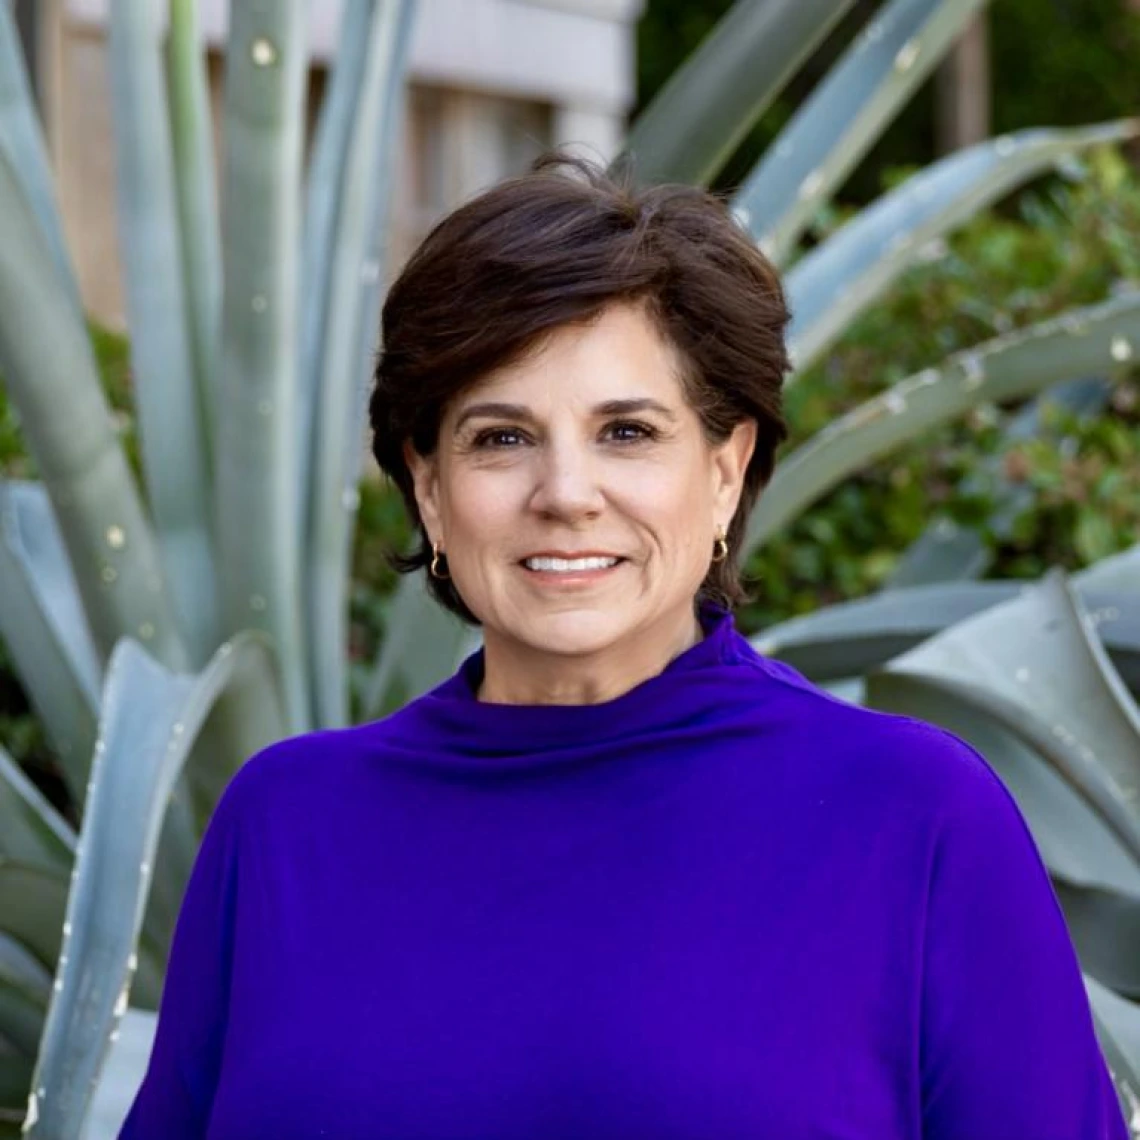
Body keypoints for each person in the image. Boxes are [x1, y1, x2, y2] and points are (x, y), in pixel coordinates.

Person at [119, 152, 1128, 1139]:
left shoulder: (917, 818)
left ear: (726, 471)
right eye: (500, 437)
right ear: (428, 487)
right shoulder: (286, 826)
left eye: (629, 433)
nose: (565, 494)